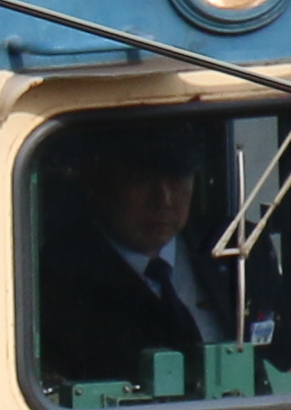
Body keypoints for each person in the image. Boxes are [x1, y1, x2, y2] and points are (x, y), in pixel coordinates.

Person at [34, 119, 245, 395]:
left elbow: (289, 360)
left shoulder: (239, 248)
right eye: (140, 180)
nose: (164, 199)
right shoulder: (56, 281)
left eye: (178, 179)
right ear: (96, 184)